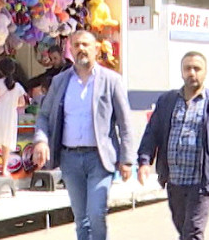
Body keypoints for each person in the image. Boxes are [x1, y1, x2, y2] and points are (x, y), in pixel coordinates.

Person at [33, 30, 135, 240]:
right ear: (70, 49)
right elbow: (43, 115)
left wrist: (127, 159)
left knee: (96, 213)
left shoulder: (111, 80)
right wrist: (41, 141)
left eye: (86, 45)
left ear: (96, 48)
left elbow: (125, 123)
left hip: (99, 158)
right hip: (70, 159)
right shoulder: (60, 81)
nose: (81, 49)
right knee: (81, 219)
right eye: (77, 45)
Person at [137, 52, 209, 240]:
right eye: (187, 68)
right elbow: (152, 133)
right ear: (181, 72)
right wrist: (144, 161)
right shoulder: (167, 102)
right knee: (183, 229)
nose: (192, 73)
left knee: (192, 233)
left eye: (197, 68)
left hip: (201, 182)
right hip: (174, 180)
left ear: (205, 72)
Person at [0, 57, 27, 175]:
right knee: (6, 141)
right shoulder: (18, 87)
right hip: (10, 115)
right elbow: (22, 103)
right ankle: (4, 169)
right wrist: (12, 103)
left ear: (0, 70)